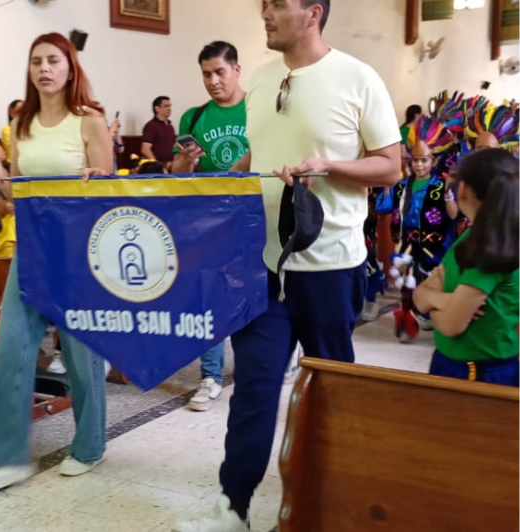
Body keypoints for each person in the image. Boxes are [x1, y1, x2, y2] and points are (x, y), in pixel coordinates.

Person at [172, 1, 400, 531]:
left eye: (277, 4)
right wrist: (225, 181)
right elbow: (255, 155)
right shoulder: (260, 79)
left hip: (331, 265)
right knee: (253, 390)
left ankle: (327, 506)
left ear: (313, 12)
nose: (265, 13)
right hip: (265, 266)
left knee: (330, 393)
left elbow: (390, 165)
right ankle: (232, 508)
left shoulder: (358, 78)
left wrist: (330, 166)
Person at [0, 32, 113, 493]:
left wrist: (94, 181)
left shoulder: (89, 121)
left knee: (81, 352)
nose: (44, 69)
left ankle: (90, 445)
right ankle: (7, 456)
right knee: (11, 347)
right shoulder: (20, 123)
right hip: (31, 248)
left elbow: (110, 192)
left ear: (70, 68)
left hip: (78, 252)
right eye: (36, 62)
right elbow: (18, 193)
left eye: (53, 60)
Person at [171, 40, 249, 412]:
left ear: (237, 70)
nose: (213, 81)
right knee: (209, 295)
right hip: (209, 218)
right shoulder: (193, 118)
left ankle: (259, 362)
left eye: (220, 72)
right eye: (206, 74)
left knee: (255, 293)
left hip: (253, 214)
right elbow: (177, 174)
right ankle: (211, 375)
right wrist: (187, 159)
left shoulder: (259, 110)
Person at [413, 149, 518, 386]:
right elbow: (419, 297)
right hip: (461, 363)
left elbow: (451, 324)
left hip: (477, 373)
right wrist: (444, 300)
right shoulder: (471, 238)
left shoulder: (490, 249)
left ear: (462, 190)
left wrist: (432, 300)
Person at [376, 116, 456, 342]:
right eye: (415, 160)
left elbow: (451, 216)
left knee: (430, 283)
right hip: (407, 243)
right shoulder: (402, 186)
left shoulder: (440, 186)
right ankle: (406, 323)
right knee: (406, 286)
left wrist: (449, 193)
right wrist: (387, 185)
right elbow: (384, 207)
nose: (419, 165)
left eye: (424, 160)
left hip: (433, 245)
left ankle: (432, 317)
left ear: (434, 160)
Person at [141, 96, 175, 165]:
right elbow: (145, 149)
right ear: (157, 108)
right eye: (166, 106)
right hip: (157, 165)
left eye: (170, 106)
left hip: (171, 163)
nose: (169, 109)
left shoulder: (170, 126)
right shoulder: (150, 126)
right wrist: (158, 165)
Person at [1, 99, 23, 165]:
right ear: (11, 113)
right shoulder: (6, 129)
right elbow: (14, 148)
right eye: (19, 109)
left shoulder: (29, 128)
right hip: (12, 162)